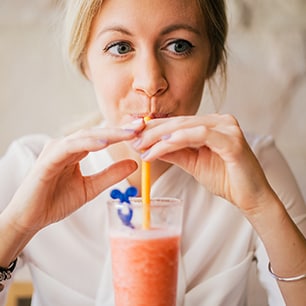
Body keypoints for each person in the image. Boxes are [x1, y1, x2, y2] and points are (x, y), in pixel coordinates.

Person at [0, 0, 305, 305]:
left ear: (210, 60)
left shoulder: (253, 165)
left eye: (178, 46)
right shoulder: (30, 168)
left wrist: (261, 208)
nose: (150, 83)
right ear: (85, 62)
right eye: (120, 47)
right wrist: (16, 227)